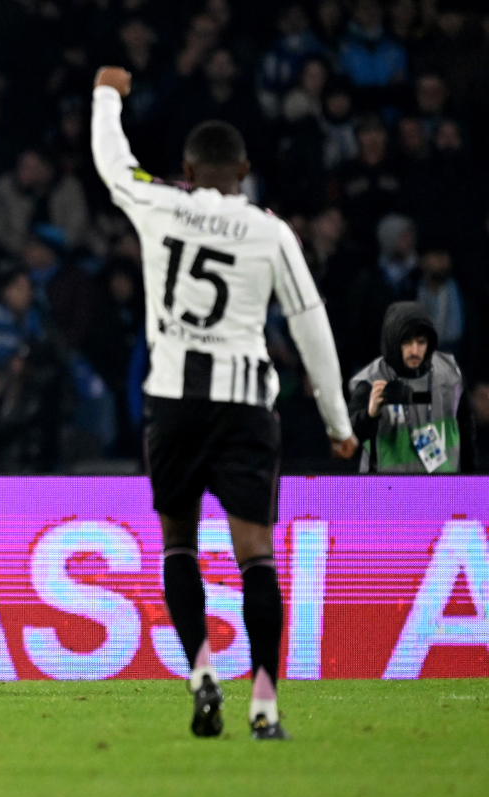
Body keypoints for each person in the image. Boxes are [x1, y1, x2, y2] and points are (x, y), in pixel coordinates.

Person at [92, 68, 357, 740]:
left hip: (174, 400)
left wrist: (106, 95)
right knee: (256, 553)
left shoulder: (159, 204)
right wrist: (338, 421)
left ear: (186, 169)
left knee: (178, 542)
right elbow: (310, 323)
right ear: (243, 170)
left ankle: (201, 669)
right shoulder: (270, 232)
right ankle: (264, 700)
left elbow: (112, 162)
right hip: (243, 405)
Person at [348, 302, 475, 473]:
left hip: (442, 490)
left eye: (421, 342)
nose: (415, 351)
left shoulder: (450, 374)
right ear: (393, 340)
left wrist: (470, 484)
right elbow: (347, 445)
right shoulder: (371, 382)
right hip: (388, 491)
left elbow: (466, 429)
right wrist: (370, 416)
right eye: (406, 342)